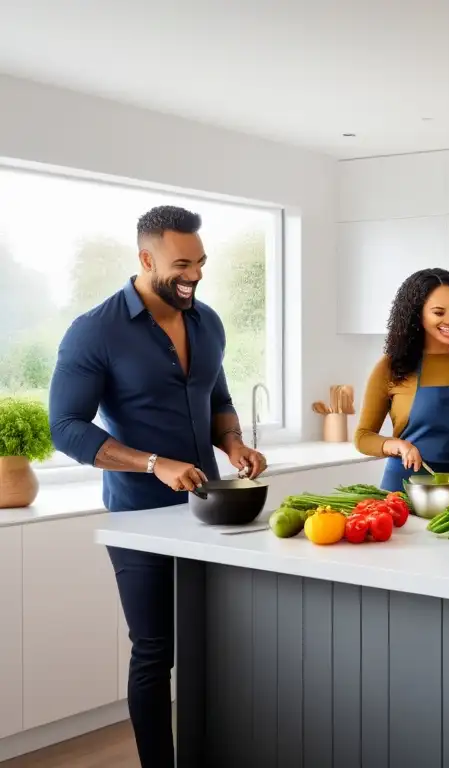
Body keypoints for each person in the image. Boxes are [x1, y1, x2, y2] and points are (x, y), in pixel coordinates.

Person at [49, 205, 266, 768]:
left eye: (200, 263)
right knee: (154, 653)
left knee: (220, 646)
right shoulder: (94, 330)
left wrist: (234, 444)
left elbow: (216, 398)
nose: (194, 276)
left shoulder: (207, 321)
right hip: (139, 517)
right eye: (181, 265)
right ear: (145, 259)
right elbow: (66, 428)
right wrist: (153, 463)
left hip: (212, 511)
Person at [354, 268, 449, 491]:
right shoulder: (391, 366)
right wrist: (398, 446)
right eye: (439, 313)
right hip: (405, 486)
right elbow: (363, 437)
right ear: (417, 316)